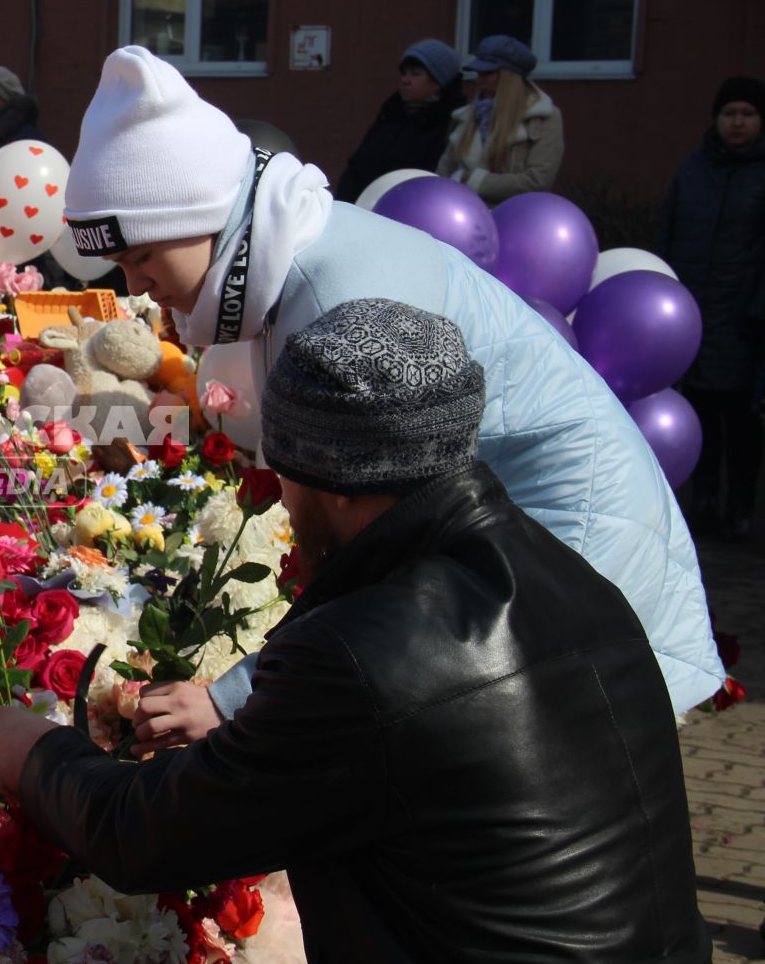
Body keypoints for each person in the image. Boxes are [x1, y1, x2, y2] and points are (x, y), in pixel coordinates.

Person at [0, 300, 746, 964]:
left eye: (286, 474)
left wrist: (37, 755)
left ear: (341, 485)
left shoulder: (367, 651)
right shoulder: (570, 578)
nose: (280, 499)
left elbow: (147, 834)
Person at [58, 45, 721, 735]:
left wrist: (236, 699)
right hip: (534, 529)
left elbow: (376, 548)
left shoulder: (336, 299)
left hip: (569, 536)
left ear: (203, 219)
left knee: (557, 766)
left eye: (141, 257)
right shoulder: (297, 254)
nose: (134, 286)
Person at [654, 75, 765, 541]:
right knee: (700, 420)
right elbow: (670, 235)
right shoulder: (693, 171)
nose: (736, 123)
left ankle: (740, 507)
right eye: (728, 114)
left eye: (747, 114)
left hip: (746, 322)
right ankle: (702, 504)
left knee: (742, 422)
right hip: (695, 318)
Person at [330, 39, 464, 203]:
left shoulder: (451, 120)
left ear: (437, 82)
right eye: (404, 73)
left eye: (415, 74)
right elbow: (359, 165)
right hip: (367, 208)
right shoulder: (391, 113)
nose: (405, 80)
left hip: (412, 211)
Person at [436, 33, 564, 203]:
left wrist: (472, 181)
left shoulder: (543, 117)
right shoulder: (466, 118)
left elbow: (537, 181)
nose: (479, 80)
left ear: (509, 77)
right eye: (477, 73)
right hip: (464, 217)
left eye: (487, 73)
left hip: (515, 218)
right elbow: (442, 174)